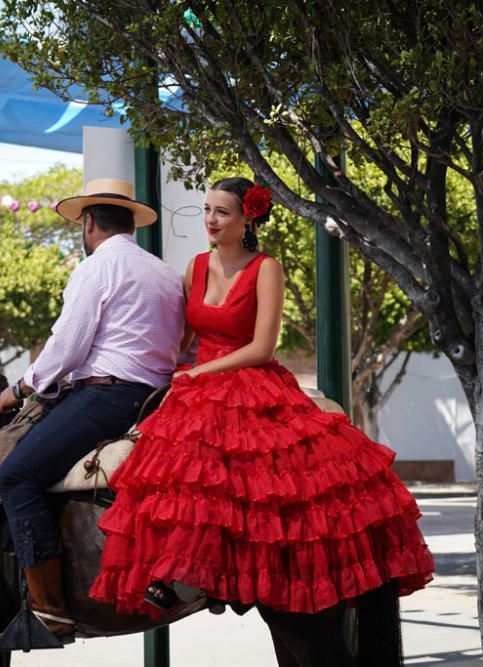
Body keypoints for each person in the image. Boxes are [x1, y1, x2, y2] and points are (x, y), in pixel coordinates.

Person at [89, 177, 436, 618]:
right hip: (198, 378)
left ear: (247, 218)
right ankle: (177, 570)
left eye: (223, 212)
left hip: (248, 376)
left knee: (236, 467)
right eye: (208, 210)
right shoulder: (195, 267)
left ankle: (217, 574)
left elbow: (262, 348)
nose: (212, 220)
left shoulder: (266, 267)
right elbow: (183, 338)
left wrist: (197, 372)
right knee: (172, 470)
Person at [0, 178, 186, 648]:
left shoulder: (95, 269)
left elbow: (68, 346)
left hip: (105, 399)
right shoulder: (164, 272)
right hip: (155, 400)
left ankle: (49, 611)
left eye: (81, 223)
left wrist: (23, 385)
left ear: (89, 222)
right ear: (130, 223)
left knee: (16, 475)